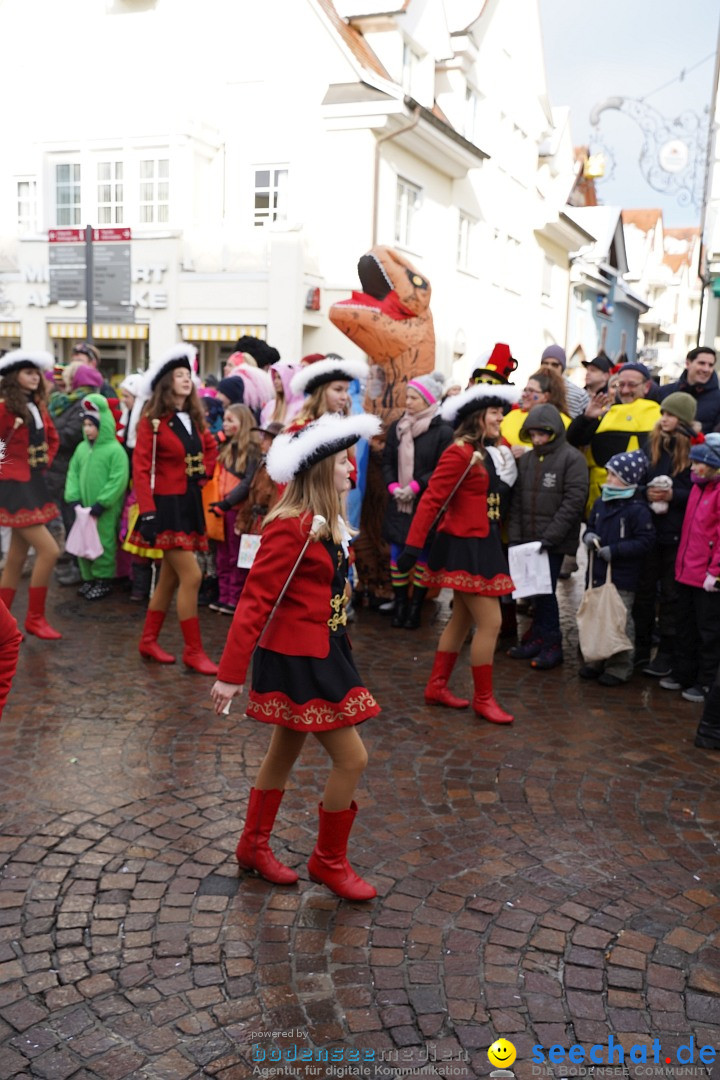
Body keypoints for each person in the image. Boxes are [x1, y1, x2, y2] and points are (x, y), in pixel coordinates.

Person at [210, 411, 382, 901]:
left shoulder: (327, 522)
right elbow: (253, 602)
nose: (352, 467)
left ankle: (253, 846)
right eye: (344, 459)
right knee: (353, 758)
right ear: (320, 467)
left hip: (325, 649)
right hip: (299, 659)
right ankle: (328, 862)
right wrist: (229, 675)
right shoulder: (290, 526)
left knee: (282, 753)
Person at [397, 382, 520, 723]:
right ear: (477, 417)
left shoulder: (483, 451)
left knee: (463, 619)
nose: (501, 417)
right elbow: (433, 499)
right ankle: (483, 699)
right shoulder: (459, 453)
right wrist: (412, 546)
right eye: (495, 412)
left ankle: (436, 687)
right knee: (491, 622)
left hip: (480, 542)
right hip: (464, 546)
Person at [129, 344, 218, 674]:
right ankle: (193, 651)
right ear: (167, 383)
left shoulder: (193, 419)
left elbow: (210, 449)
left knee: (169, 580)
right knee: (192, 575)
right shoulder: (152, 422)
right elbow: (140, 469)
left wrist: (203, 472)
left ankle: (148, 640)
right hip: (164, 508)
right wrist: (147, 512)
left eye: (188, 375)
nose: (186, 380)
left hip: (188, 503)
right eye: (179, 375)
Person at [506, 403, 588, 670]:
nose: (538, 439)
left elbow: (573, 503)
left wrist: (549, 538)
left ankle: (552, 642)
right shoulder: (528, 460)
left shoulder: (571, 459)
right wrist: (517, 537)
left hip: (551, 542)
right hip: (528, 541)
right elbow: (517, 501)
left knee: (545, 591)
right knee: (533, 592)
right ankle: (537, 637)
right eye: (533, 434)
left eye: (543, 434)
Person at [381, 371, 453, 629]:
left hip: (424, 503)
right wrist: (393, 486)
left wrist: (415, 486)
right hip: (398, 502)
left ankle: (414, 608)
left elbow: (441, 468)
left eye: (414, 397)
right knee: (397, 552)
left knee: (422, 553)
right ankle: (400, 604)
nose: (408, 402)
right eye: (407, 397)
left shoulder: (443, 431)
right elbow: (387, 460)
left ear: (428, 399)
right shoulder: (399, 426)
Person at [0, 350, 63, 639]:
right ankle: (34, 619)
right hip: (14, 487)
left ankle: (4, 624)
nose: (35, 377)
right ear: (14, 377)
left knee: (15, 558)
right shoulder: (3, 408)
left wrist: (42, 461)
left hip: (34, 483)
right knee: (49, 550)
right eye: (28, 372)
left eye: (37, 373)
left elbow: (53, 437)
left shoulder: (37, 404)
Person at [633, 392, 696, 676]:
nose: (664, 419)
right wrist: (647, 492)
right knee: (644, 593)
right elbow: (640, 480)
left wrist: (673, 495)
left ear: (682, 419)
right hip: (649, 530)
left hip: (676, 533)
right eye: (663, 413)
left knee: (670, 596)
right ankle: (641, 649)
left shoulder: (693, 449)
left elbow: (696, 490)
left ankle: (667, 653)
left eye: (670, 414)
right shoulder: (652, 443)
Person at [580, 450, 655, 686]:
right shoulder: (601, 502)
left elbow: (645, 541)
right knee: (596, 615)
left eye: (614, 475)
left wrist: (616, 550)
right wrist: (589, 535)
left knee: (618, 620)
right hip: (597, 572)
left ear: (628, 479)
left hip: (622, 576)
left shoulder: (638, 510)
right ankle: (595, 658)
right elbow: (591, 523)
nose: (608, 479)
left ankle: (620, 666)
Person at [659, 432, 720, 703]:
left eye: (699, 464)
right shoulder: (698, 486)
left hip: (707, 576)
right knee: (684, 625)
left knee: (708, 631)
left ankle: (707, 681)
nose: (693, 468)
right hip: (687, 570)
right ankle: (685, 672)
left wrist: (715, 571)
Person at [567, 361, 661, 517]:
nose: (625, 390)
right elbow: (573, 440)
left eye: (631, 385)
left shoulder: (660, 416)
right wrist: (586, 418)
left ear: (646, 387)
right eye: (621, 384)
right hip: (602, 499)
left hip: (642, 503)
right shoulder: (605, 414)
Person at [64, 395, 129, 601]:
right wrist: (73, 497)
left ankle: (103, 579)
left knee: (103, 541)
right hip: (82, 508)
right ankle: (88, 577)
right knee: (83, 540)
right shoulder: (81, 449)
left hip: (103, 509)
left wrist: (103, 502)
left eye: (92, 424)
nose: (87, 429)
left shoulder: (114, 451)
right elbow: (72, 473)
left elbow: (118, 479)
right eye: (85, 424)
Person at [206, 404, 261, 614]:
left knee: (236, 556)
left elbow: (247, 483)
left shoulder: (252, 451)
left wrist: (227, 503)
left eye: (230, 421)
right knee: (222, 556)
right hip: (221, 509)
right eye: (225, 420)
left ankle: (235, 597)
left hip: (237, 510)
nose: (225, 424)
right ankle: (224, 595)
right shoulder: (225, 448)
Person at [500, 369, 570, 456]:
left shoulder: (562, 421)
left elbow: (563, 454)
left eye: (531, 391)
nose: (525, 395)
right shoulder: (511, 416)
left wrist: (528, 452)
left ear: (546, 396)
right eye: (525, 390)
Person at [289, 355, 368, 429]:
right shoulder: (300, 428)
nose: (344, 397)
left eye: (346, 390)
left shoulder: (346, 426)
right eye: (338, 389)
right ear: (320, 393)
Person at [660, 346, 720, 434]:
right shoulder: (665, 391)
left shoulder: (718, 399)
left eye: (710, 365)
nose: (706, 369)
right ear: (688, 364)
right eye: (701, 363)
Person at [540, 344, 589, 418]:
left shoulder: (580, 394)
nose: (549, 367)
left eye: (554, 365)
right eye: (545, 363)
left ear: (562, 367)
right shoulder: (532, 388)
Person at [259, 361, 303, 429]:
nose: (275, 381)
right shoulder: (270, 406)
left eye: (279, 378)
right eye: (275, 377)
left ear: (290, 379)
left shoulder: (300, 407)